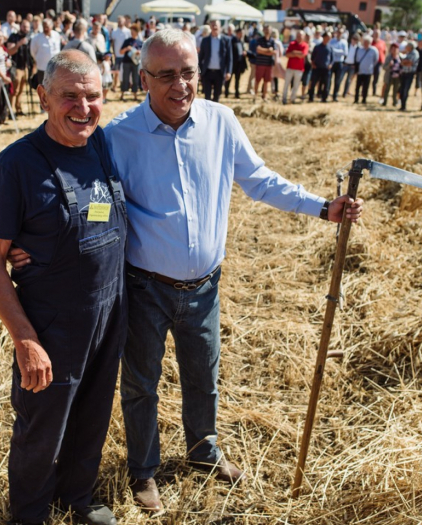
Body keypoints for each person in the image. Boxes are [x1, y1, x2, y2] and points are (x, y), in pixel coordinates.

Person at [103, 28, 362, 514]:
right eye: (166, 75)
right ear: (142, 78)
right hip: (144, 288)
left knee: (204, 376)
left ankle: (204, 454)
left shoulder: (221, 121)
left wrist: (323, 207)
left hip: (204, 287)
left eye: (188, 73)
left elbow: (260, 180)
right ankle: (143, 471)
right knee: (141, 383)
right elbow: (94, 205)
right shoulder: (118, 137)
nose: (180, 85)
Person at [0, 49, 125, 525]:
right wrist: (25, 339)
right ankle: (30, 514)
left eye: (93, 96)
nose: (83, 108)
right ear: (42, 97)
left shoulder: (100, 143)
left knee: (93, 414)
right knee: (43, 428)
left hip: (109, 311)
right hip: (52, 323)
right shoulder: (15, 166)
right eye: (69, 97)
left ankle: (77, 498)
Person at [198, 20, 231, 103]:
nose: (214, 27)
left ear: (220, 27)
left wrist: (228, 71)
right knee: (207, 97)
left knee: (217, 97)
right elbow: (200, 57)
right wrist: (199, 71)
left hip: (220, 73)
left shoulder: (226, 40)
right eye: (212, 25)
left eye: (216, 25)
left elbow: (229, 58)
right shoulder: (205, 40)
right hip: (207, 72)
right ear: (210, 27)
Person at [6, 19, 31, 115]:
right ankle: (10, 111)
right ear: (20, 26)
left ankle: (18, 108)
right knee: (14, 90)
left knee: (21, 90)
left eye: (28, 27)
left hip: (25, 67)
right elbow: (9, 51)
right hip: (16, 67)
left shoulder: (29, 38)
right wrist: (19, 44)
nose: (26, 29)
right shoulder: (13, 37)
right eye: (24, 26)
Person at [30, 18, 61, 89]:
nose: (45, 29)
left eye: (47, 27)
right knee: (43, 87)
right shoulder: (37, 38)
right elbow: (33, 52)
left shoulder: (56, 35)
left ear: (51, 26)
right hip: (42, 67)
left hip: (54, 67)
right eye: (44, 27)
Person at [281, 31, 306, 105]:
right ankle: (284, 98)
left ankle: (293, 99)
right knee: (286, 84)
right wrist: (297, 53)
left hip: (299, 68)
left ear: (303, 37)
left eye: (300, 36)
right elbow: (287, 54)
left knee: (296, 85)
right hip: (290, 67)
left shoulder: (305, 45)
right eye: (298, 36)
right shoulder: (292, 44)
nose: (299, 37)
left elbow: (303, 55)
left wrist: (294, 52)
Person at [308, 31, 333, 103]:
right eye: (327, 37)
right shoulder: (317, 47)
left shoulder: (330, 48)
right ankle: (311, 97)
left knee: (326, 84)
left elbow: (332, 58)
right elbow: (312, 57)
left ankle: (324, 98)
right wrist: (313, 64)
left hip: (326, 69)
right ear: (324, 37)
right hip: (317, 68)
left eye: (330, 38)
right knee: (313, 83)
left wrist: (330, 64)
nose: (328, 39)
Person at [118, 23, 141, 101]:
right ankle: (122, 95)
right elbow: (120, 52)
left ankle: (135, 95)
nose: (132, 33)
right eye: (131, 31)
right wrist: (126, 49)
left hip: (135, 62)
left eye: (133, 31)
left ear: (137, 32)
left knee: (135, 78)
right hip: (126, 62)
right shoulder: (127, 41)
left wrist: (139, 52)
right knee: (125, 78)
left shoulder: (140, 42)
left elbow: (143, 53)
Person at [353, 34, 379, 104]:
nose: (365, 43)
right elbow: (357, 59)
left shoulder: (374, 50)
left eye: (367, 42)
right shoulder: (360, 49)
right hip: (360, 71)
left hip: (368, 71)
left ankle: (364, 99)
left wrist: (371, 66)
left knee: (366, 87)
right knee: (358, 86)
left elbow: (376, 60)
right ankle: (356, 99)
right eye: (364, 42)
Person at [252, 24, 275, 101]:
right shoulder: (259, 40)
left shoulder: (272, 41)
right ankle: (255, 96)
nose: (267, 31)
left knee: (266, 81)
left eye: (268, 30)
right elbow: (258, 50)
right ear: (263, 30)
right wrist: (268, 50)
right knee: (257, 80)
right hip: (260, 64)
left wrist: (263, 51)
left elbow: (274, 52)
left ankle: (264, 96)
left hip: (268, 64)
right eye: (266, 29)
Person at [226, 27, 246, 99]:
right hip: (232, 64)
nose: (242, 35)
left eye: (243, 33)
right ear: (237, 33)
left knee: (237, 79)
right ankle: (226, 92)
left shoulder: (241, 41)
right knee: (229, 79)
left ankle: (237, 93)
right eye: (241, 33)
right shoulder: (232, 41)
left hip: (239, 64)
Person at [328, 28, 347, 102]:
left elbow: (345, 53)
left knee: (337, 80)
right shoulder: (332, 41)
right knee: (329, 79)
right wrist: (339, 52)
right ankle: (327, 94)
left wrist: (335, 50)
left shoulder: (344, 42)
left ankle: (335, 95)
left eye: (341, 33)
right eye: (338, 32)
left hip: (339, 63)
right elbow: (330, 50)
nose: (339, 34)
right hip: (332, 62)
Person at [398, 41, 418, 111]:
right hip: (404, 73)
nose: (406, 47)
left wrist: (404, 62)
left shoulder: (414, 53)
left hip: (409, 74)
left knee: (406, 89)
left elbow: (409, 62)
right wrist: (404, 62)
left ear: (410, 47)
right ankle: (402, 105)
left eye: (407, 46)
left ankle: (404, 106)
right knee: (402, 89)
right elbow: (403, 62)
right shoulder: (408, 53)